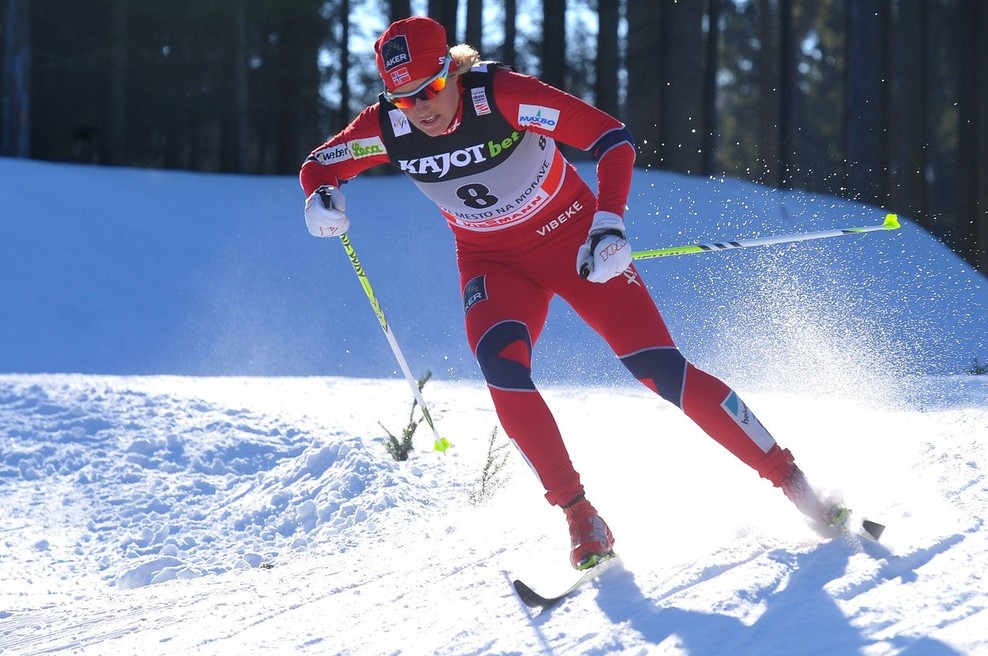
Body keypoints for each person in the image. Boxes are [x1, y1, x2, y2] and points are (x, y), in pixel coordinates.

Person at [299, 16, 845, 570]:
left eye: (432, 88)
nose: (421, 108)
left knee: (661, 371)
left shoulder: (502, 97)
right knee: (502, 370)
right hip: (492, 265)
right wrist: (319, 196)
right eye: (403, 98)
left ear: (452, 70)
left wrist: (609, 223)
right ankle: (581, 518)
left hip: (577, 246)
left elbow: (611, 138)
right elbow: (320, 165)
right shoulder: (388, 128)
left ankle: (793, 480)